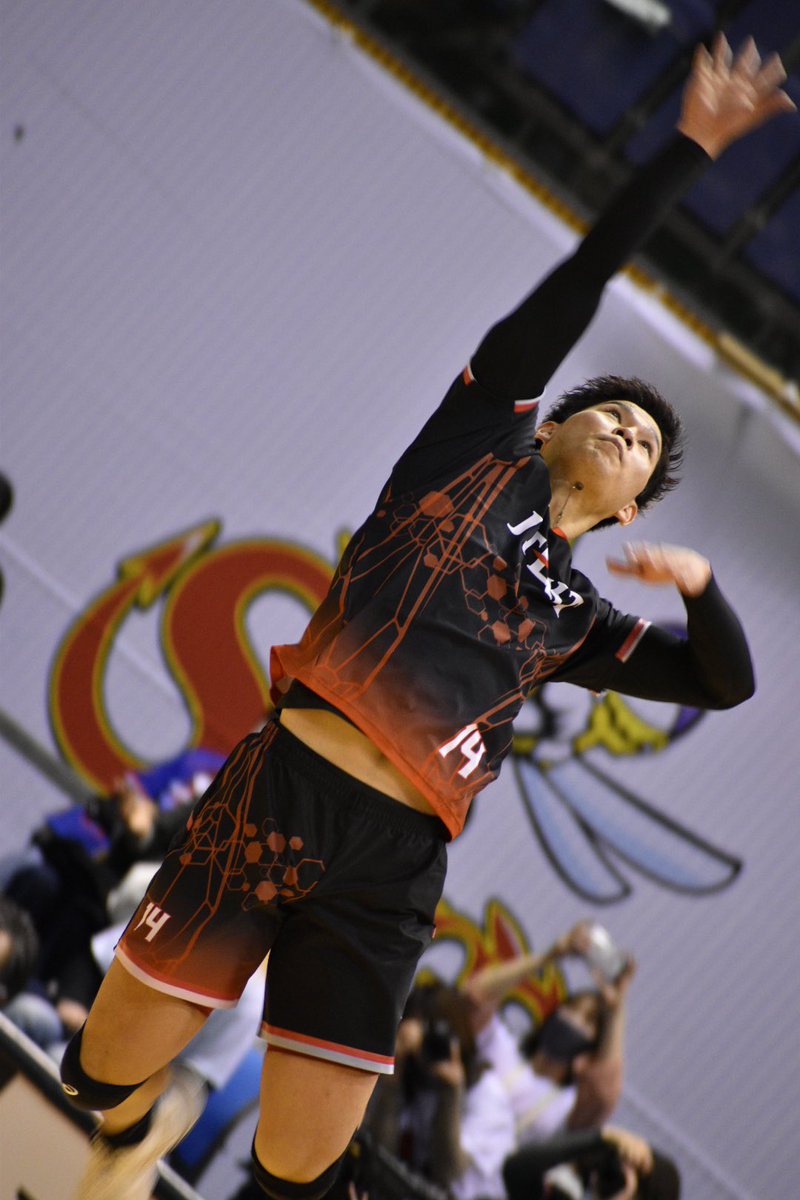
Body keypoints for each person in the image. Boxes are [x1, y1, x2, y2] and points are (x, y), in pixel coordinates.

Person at [59, 35, 791, 1200]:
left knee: (297, 1165)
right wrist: (687, 151)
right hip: (280, 792)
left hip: (393, 863)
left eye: (644, 443)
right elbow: (577, 282)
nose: (624, 429)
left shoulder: (579, 619)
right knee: (99, 1074)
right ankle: (126, 1134)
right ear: (550, 421)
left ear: (625, 509)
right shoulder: (474, 447)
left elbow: (723, 682)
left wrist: (700, 589)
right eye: (608, 412)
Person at [464, 920, 635, 1140]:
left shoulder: (567, 1105)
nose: (573, 1020)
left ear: (594, 1046)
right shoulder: (502, 1048)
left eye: (587, 1021)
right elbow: (475, 996)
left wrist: (615, 1013)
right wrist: (549, 956)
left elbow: (604, 1092)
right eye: (571, 1009)